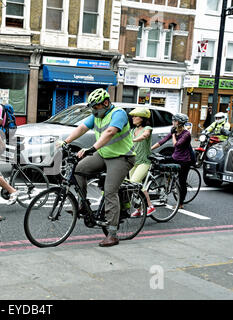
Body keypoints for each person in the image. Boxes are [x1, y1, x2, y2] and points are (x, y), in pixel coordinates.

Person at [57, 88, 136, 247]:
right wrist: (66, 141)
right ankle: (83, 206)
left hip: (122, 157)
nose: (93, 110)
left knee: (109, 191)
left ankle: (112, 234)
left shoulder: (118, 114)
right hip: (104, 154)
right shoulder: (96, 115)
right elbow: (82, 128)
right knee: (79, 169)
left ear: (106, 103)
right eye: (92, 107)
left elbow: (110, 132)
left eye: (96, 107)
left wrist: (91, 149)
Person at [151, 113, 192, 209]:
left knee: (182, 182)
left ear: (179, 122)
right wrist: (150, 149)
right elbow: (162, 141)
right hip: (175, 157)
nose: (172, 122)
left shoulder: (186, 134)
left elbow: (176, 145)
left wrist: (173, 134)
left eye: (174, 121)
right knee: (158, 162)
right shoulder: (175, 131)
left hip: (184, 161)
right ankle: (164, 182)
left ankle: (180, 203)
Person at [127, 107, 155, 217]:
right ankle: (139, 209)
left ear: (142, 118)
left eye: (135, 116)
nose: (133, 118)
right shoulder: (133, 130)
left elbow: (145, 135)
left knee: (135, 182)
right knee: (131, 185)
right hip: (134, 161)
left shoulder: (147, 128)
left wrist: (133, 140)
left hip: (144, 161)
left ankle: (150, 206)